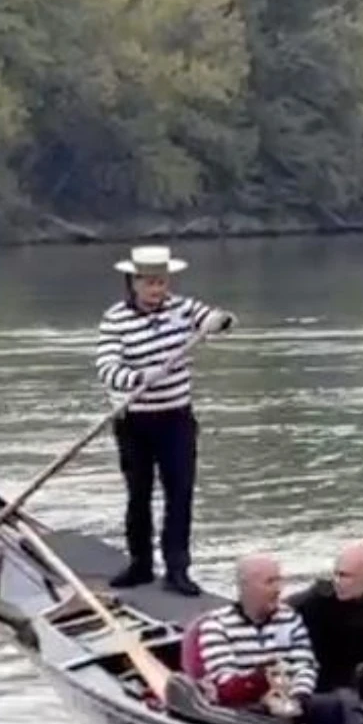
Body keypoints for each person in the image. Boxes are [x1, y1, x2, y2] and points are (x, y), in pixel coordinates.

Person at [93, 243, 236, 598]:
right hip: (135, 421)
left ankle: (177, 570)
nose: (158, 290)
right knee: (138, 495)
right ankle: (140, 564)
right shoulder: (115, 319)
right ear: (134, 283)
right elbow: (107, 368)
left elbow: (213, 320)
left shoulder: (182, 308)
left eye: (162, 282)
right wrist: (139, 377)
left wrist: (221, 321)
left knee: (180, 494)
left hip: (176, 420)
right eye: (151, 283)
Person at [285, 540, 363, 724]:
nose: (338, 581)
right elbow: (280, 612)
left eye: (345, 576)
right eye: (336, 574)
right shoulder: (318, 597)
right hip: (323, 682)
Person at [194, 553, 320, 718]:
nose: (278, 589)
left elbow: (304, 666)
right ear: (246, 587)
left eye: (278, 580)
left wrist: (297, 698)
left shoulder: (290, 618)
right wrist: (263, 681)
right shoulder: (216, 625)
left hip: (291, 703)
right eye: (270, 582)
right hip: (242, 713)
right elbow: (225, 683)